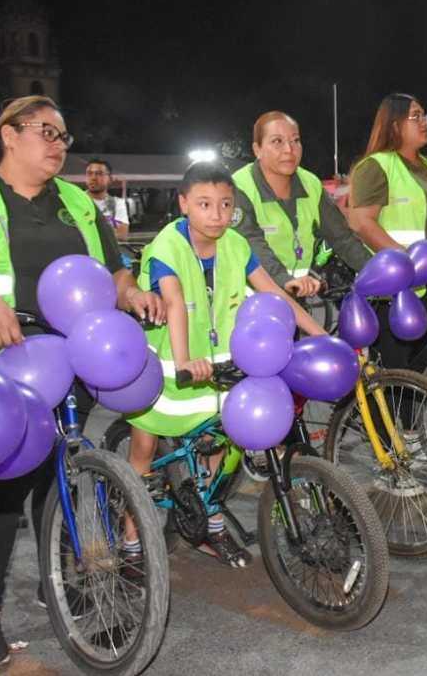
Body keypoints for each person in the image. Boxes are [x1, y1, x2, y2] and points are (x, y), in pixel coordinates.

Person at [0, 95, 165, 671]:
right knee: (3, 490)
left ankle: (55, 580)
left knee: (58, 477)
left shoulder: (80, 202)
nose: (59, 144)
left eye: (63, 136)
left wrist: (129, 294)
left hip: (69, 355)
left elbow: (113, 268)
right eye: (46, 132)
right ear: (9, 135)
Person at [125, 162, 326, 567]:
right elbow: (175, 299)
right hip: (169, 368)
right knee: (142, 452)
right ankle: (131, 542)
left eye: (224, 205)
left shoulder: (236, 244)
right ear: (183, 204)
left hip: (219, 369)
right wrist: (183, 360)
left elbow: (272, 292)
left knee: (219, 445)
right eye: (204, 204)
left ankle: (212, 526)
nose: (216, 214)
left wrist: (318, 334)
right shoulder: (167, 245)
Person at [347, 93, 427, 371]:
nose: (425, 122)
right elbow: (361, 222)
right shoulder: (376, 165)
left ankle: (408, 417)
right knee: (395, 377)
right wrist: (406, 259)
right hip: (394, 288)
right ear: (394, 124)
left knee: (418, 378)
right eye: (415, 116)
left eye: (425, 115)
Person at [231, 111, 370, 297]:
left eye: (295, 140)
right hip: (246, 300)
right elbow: (251, 245)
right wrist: (285, 280)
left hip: (296, 296)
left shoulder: (310, 183)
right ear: (257, 150)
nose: (289, 149)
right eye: (277, 141)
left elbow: (341, 237)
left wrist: (376, 269)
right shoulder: (239, 186)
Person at [84, 158, 130, 240]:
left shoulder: (117, 203)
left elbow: (122, 235)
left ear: (110, 179)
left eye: (99, 173)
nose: (93, 178)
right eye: (89, 173)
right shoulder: (77, 200)